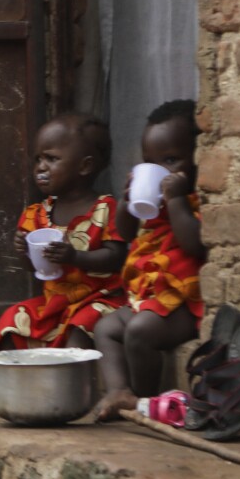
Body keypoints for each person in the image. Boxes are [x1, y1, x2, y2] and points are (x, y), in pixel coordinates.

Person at [92, 99, 205, 422]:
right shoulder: (152, 206)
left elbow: (192, 243)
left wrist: (177, 200)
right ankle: (118, 390)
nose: (160, 170)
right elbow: (126, 232)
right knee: (107, 327)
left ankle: (144, 402)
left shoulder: (195, 202)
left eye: (171, 160)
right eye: (150, 162)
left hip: (182, 308)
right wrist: (128, 201)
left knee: (139, 331)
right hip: (150, 301)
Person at [0, 113, 127, 356]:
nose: (40, 167)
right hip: (55, 303)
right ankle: (12, 385)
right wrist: (23, 252)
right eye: (38, 159)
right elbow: (32, 266)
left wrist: (75, 257)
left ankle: (71, 389)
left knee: (80, 326)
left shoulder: (106, 208)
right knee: (12, 320)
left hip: (100, 299)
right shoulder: (37, 214)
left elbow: (117, 257)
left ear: (85, 166)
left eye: (51, 159)